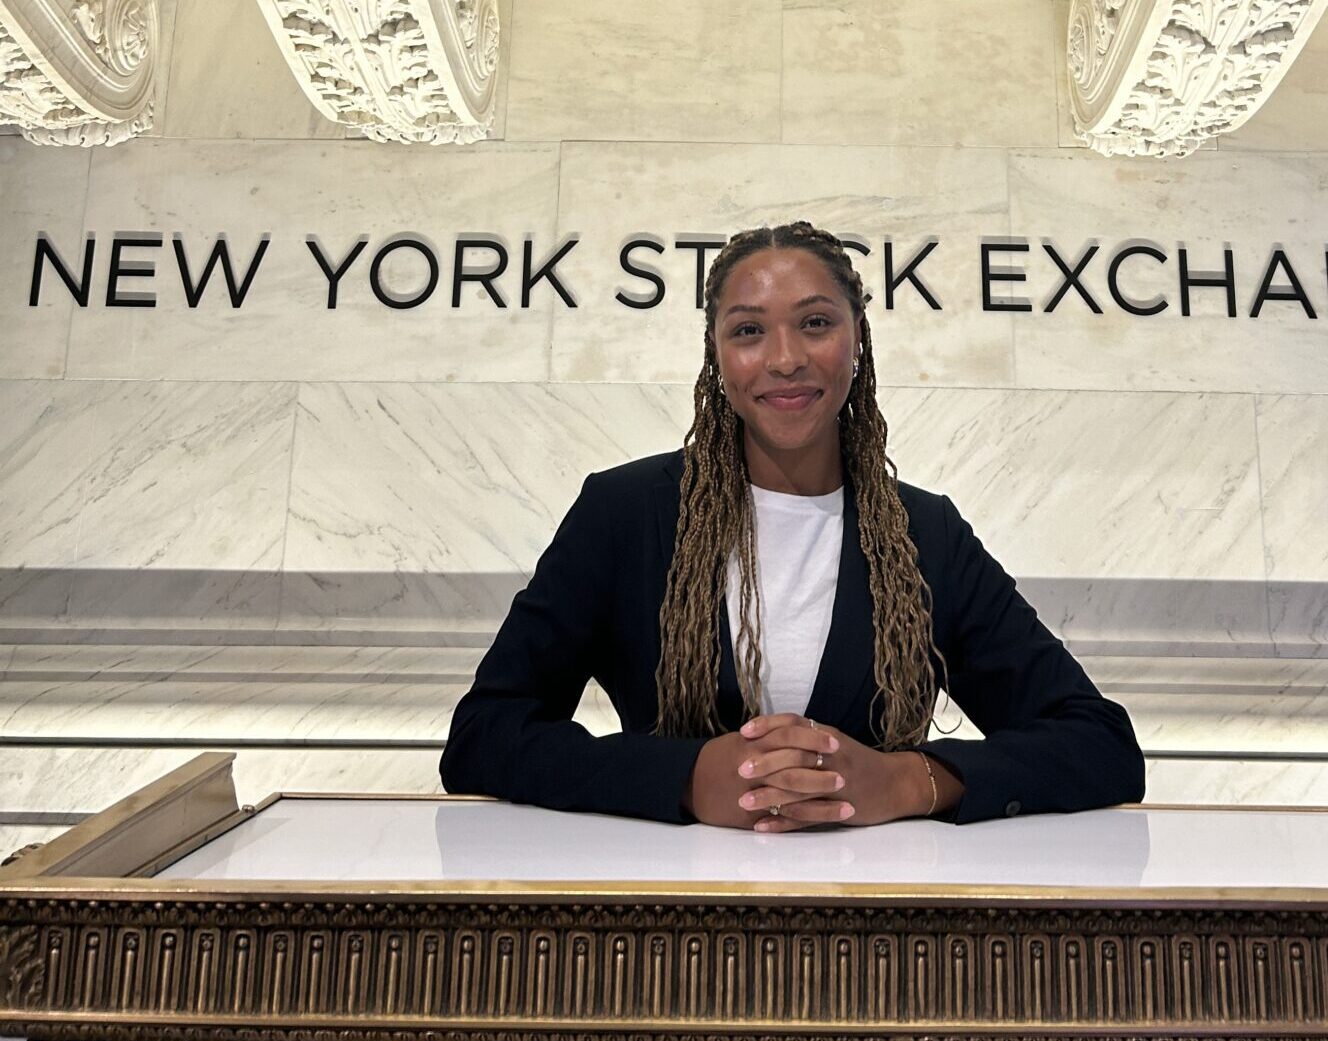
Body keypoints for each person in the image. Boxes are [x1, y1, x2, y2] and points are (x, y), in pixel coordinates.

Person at [439, 221, 1144, 830]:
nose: (784, 358)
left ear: (857, 338)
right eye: (749, 330)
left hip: (871, 931)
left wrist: (906, 782)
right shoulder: (624, 514)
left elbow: (1099, 746)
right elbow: (484, 735)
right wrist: (681, 779)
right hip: (665, 926)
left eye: (815, 322)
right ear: (717, 355)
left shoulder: (925, 535)